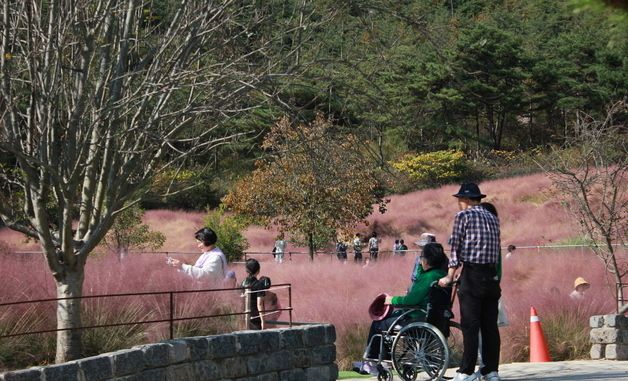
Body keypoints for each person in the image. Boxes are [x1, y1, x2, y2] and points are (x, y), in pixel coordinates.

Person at [438, 183, 501, 381]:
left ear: (464, 200)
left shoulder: (463, 216)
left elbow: (455, 248)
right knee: (490, 326)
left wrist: (449, 275)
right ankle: (491, 370)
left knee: (470, 325)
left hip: (472, 275)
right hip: (491, 277)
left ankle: (466, 371)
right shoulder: (493, 218)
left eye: (459, 200)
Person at [355, 243, 448, 374]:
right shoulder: (442, 274)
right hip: (434, 318)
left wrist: (392, 300)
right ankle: (382, 361)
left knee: (379, 324)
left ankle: (373, 362)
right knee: (388, 321)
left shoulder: (427, 278)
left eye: (422, 257)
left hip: (416, 318)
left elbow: (411, 300)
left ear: (426, 260)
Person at [240, 258, 272, 330]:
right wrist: (263, 322)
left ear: (247, 270)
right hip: (255, 319)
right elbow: (259, 304)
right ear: (258, 271)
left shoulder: (243, 283)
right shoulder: (259, 284)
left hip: (244, 317)